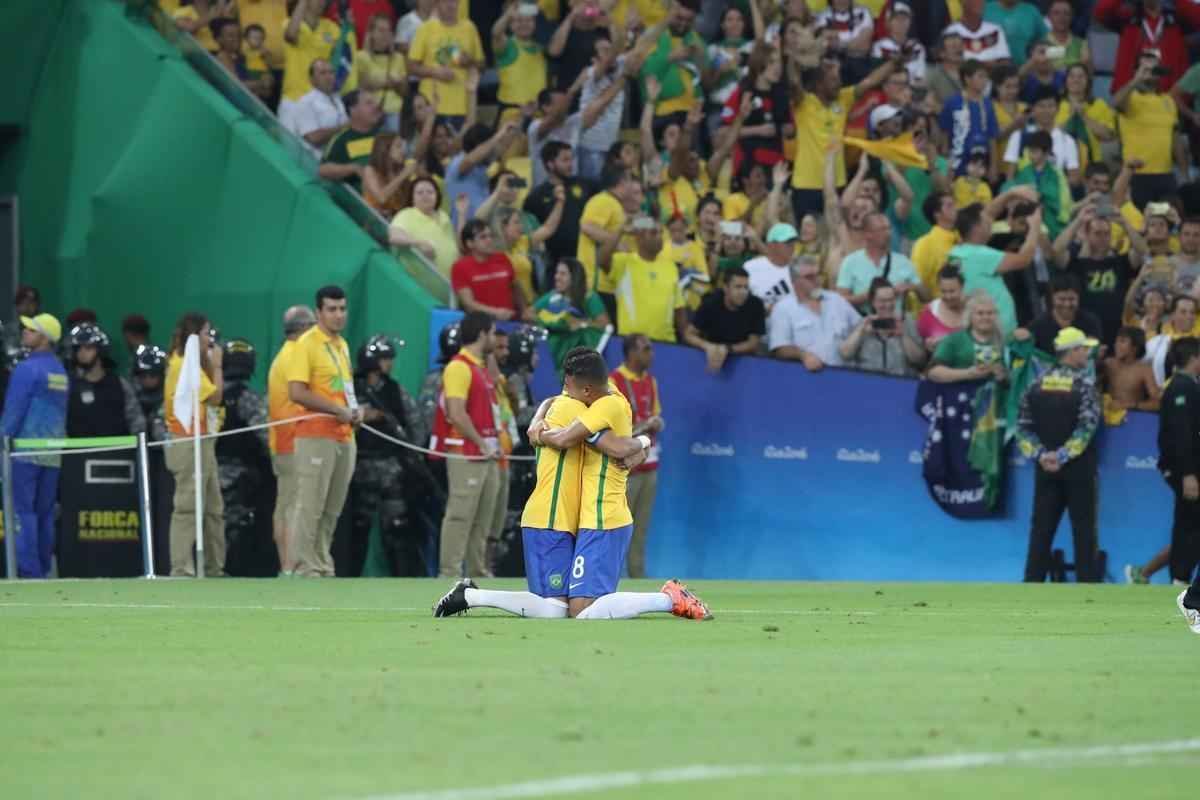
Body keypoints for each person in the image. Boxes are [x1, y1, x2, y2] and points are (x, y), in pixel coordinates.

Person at [433, 347, 711, 621]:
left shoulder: (593, 407)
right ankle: (471, 597)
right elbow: (576, 418)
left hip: (595, 517)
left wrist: (540, 429)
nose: (564, 388)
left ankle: (668, 599)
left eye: (568, 384)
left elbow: (604, 445)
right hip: (553, 518)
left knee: (572, 608)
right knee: (559, 608)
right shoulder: (587, 401)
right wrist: (642, 444)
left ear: (586, 388)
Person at [1015, 326, 1102, 582]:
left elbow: (1022, 427)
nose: (1087, 353)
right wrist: (1062, 456)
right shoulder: (1085, 385)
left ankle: (1032, 583)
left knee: (1041, 529)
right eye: (1083, 348)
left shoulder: (1035, 384)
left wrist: (1043, 456)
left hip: (1044, 469)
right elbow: (1087, 427)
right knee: (1084, 530)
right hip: (1079, 468)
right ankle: (1087, 586)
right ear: (1072, 352)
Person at [286, 285, 360, 578]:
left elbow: (344, 390)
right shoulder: (307, 344)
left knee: (332, 508)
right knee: (310, 504)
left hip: (344, 434)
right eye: (332, 309)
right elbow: (296, 392)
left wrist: (354, 410)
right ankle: (305, 566)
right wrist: (336, 410)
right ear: (318, 312)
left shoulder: (342, 345)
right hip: (315, 435)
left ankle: (321, 562)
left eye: (342, 308)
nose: (339, 314)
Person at [431, 311, 502, 578]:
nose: (495, 338)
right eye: (493, 333)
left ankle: (477, 569)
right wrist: (481, 442)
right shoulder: (458, 367)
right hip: (466, 452)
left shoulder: (480, 367)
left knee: (483, 519)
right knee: (460, 515)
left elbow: (496, 382)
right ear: (482, 334)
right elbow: (456, 413)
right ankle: (449, 571)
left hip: (487, 452)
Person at [790, 52, 902, 220]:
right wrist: (794, 59)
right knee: (809, 239)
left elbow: (870, 81)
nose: (840, 84)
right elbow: (793, 82)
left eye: (839, 79)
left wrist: (894, 62)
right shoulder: (804, 103)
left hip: (838, 183)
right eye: (834, 80)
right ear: (819, 84)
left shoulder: (843, 99)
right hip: (807, 185)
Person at [351, 335, 426, 577]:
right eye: (384, 359)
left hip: (391, 467)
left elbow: (415, 423)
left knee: (397, 526)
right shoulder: (350, 389)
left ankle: (401, 577)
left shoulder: (394, 390)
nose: (389, 364)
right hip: (358, 466)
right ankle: (347, 575)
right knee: (356, 527)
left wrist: (411, 453)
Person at [1, 313, 66, 578]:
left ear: (44, 338)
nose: (25, 332)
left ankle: (29, 571)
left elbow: (13, 413)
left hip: (24, 452)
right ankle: (43, 568)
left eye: (31, 330)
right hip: (52, 453)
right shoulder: (60, 371)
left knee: (22, 512)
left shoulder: (27, 369)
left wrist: (3, 442)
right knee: (45, 513)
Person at [163, 312, 226, 578]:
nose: (209, 341)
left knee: (213, 508)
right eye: (205, 334)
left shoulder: (193, 364)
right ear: (193, 336)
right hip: (187, 441)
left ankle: (214, 567)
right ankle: (181, 568)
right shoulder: (183, 364)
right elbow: (215, 397)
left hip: (203, 439)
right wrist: (219, 366)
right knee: (187, 506)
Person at [216, 338, 273, 576]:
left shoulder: (209, 394)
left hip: (208, 470)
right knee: (236, 527)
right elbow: (267, 435)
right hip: (237, 475)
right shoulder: (248, 398)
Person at [266, 305, 315, 576]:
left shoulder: (282, 355)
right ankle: (290, 565)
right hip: (294, 440)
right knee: (294, 505)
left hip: (283, 441)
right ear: (305, 329)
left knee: (286, 504)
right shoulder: (296, 355)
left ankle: (288, 565)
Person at [610, 334, 663, 579]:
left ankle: (637, 577)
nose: (651, 354)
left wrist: (656, 423)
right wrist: (645, 425)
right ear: (631, 352)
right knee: (617, 527)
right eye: (646, 349)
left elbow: (655, 415)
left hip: (649, 464)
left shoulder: (650, 381)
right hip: (624, 468)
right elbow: (612, 430)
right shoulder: (614, 381)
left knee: (641, 529)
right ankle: (608, 576)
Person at [1053, 205, 1146, 344]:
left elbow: (1142, 250)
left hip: (1116, 331)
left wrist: (1125, 223)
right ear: (1087, 234)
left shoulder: (1120, 262)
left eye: (1106, 233)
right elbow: (1056, 251)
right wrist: (1078, 220)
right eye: (1097, 233)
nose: (1103, 237)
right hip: (1083, 331)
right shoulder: (1077, 264)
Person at [949, 202, 1042, 334]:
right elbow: (1024, 259)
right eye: (986, 221)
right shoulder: (980, 254)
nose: (990, 224)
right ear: (977, 227)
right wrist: (1035, 227)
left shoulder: (956, 252)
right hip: (995, 333)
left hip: (981, 328)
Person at [598, 216, 687, 343]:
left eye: (661, 233)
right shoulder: (624, 262)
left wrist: (686, 338)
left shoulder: (670, 266)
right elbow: (601, 259)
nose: (659, 237)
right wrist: (621, 231)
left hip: (665, 342)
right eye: (653, 233)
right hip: (632, 343)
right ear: (639, 238)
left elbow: (679, 308)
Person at [1161, 338, 1200, 630]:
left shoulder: (1184, 385)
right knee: (1188, 525)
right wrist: (1188, 473)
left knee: (1187, 524)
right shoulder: (1183, 387)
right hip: (1188, 471)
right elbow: (1183, 434)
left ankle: (1184, 582)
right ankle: (1183, 581)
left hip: (1186, 470)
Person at [769, 256, 862, 370]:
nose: (817, 280)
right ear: (794, 281)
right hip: (807, 376)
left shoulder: (837, 300)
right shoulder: (783, 308)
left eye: (818, 275)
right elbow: (780, 348)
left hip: (844, 373)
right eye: (810, 277)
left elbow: (860, 326)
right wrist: (803, 355)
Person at [1115, 51, 1181, 210]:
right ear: (1137, 71)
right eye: (1146, 69)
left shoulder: (1168, 101)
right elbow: (1116, 103)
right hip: (1137, 175)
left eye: (1155, 69)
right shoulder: (1130, 97)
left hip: (1165, 175)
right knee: (1139, 224)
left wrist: (1183, 172)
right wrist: (1136, 80)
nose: (1151, 73)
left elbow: (1174, 139)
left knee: (1166, 223)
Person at [1094, 0, 1200, 94]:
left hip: (1170, 96)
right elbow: (1101, 12)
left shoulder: (1176, 18)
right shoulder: (1128, 17)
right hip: (1130, 96)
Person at [407, 0, 483, 127]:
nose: (450, 5)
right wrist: (435, 72)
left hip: (463, 106)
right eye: (446, 1)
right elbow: (410, 67)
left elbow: (482, 65)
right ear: (437, 4)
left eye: (454, 1)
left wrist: (469, 61)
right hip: (431, 106)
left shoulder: (469, 28)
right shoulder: (425, 29)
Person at [65, 323, 145, 438]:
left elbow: (136, 421)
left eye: (88, 348)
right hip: (79, 453)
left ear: (101, 350)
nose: (82, 353)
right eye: (78, 348)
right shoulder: (68, 385)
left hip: (117, 453)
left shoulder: (119, 384)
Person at [835, 212, 925, 313]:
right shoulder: (851, 262)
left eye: (889, 228)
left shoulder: (903, 261)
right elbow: (840, 300)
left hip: (896, 324)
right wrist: (867, 296)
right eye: (882, 229)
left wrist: (912, 286)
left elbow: (926, 298)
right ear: (867, 234)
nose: (888, 233)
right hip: (865, 323)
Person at [534, 258, 610, 376]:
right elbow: (529, 314)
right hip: (555, 356)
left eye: (562, 274)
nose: (557, 277)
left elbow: (604, 324)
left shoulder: (589, 296)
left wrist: (582, 324)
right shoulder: (553, 296)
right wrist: (553, 321)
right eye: (556, 273)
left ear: (575, 277)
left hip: (579, 362)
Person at [524, 141, 595, 267]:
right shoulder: (535, 197)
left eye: (571, 159)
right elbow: (532, 233)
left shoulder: (586, 185)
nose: (570, 164)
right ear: (550, 164)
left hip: (586, 259)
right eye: (565, 160)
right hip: (555, 264)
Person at [685, 265, 766, 372]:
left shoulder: (756, 305)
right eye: (738, 287)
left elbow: (753, 343)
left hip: (744, 360)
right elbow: (689, 334)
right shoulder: (710, 303)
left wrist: (727, 349)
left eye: (746, 287)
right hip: (710, 356)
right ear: (725, 288)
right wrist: (708, 346)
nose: (743, 292)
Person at [838, 279, 927, 376]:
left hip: (901, 382)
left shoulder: (908, 321)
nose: (888, 305)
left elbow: (920, 360)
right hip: (870, 383)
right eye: (882, 301)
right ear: (872, 302)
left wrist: (903, 335)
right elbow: (845, 354)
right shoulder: (863, 323)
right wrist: (861, 331)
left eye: (891, 299)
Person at [927, 290, 1009, 383]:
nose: (985, 317)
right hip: (958, 393)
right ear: (970, 316)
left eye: (990, 313)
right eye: (980, 313)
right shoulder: (955, 340)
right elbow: (933, 372)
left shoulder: (1003, 341)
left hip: (993, 394)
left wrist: (1002, 375)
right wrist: (968, 373)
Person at [451, 220, 525, 321]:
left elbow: (516, 287)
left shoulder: (502, 258)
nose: (489, 240)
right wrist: (495, 312)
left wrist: (525, 310)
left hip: (511, 321)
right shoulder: (460, 267)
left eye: (490, 236)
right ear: (470, 243)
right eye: (483, 237)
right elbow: (468, 304)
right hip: (482, 327)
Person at [938, 59, 1000, 177]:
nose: (985, 81)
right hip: (958, 160)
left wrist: (993, 166)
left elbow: (992, 137)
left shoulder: (988, 104)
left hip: (982, 161)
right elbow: (945, 133)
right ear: (967, 79)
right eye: (980, 77)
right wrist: (946, 163)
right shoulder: (953, 102)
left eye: (986, 77)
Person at [388, 175, 459, 277]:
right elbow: (394, 237)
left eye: (430, 192)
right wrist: (418, 243)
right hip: (419, 286)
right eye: (420, 193)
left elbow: (454, 246)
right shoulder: (406, 214)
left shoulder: (444, 215)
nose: (425, 195)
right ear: (412, 198)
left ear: (437, 195)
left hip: (449, 283)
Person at [1021, 273, 1104, 355]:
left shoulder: (1090, 321)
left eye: (1071, 299)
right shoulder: (1038, 325)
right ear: (1052, 298)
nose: (1067, 304)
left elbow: (1094, 352)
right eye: (1061, 299)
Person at [317, 90, 383, 190]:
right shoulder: (341, 139)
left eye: (375, 102)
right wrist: (353, 168)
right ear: (353, 110)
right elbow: (323, 170)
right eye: (369, 103)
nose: (376, 106)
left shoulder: (384, 136)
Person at [352, 13, 407, 133]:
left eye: (388, 31)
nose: (385, 35)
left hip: (394, 112)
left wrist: (395, 84)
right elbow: (361, 85)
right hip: (370, 113)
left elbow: (404, 91)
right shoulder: (361, 57)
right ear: (371, 33)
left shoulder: (398, 58)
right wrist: (389, 82)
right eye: (381, 30)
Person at [290, 59, 348, 157]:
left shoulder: (338, 99)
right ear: (312, 79)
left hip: (338, 157)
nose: (329, 77)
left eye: (331, 72)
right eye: (323, 73)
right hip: (314, 161)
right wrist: (344, 128)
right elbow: (313, 138)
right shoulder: (305, 102)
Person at [1102, 326, 1159, 424]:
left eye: (1122, 341)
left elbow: (1157, 404)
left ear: (1135, 347)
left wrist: (1129, 405)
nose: (1116, 345)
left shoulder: (1144, 369)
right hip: (1106, 419)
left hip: (1132, 421)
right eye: (1116, 341)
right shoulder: (1108, 364)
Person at [745, 222, 800, 310]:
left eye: (793, 243)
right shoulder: (751, 267)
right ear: (772, 245)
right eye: (787, 243)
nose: (792, 246)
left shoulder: (800, 271)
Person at [917, 264, 968, 350]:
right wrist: (928, 347)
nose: (948, 296)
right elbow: (920, 350)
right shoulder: (930, 312)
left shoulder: (975, 309)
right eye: (943, 291)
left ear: (962, 287)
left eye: (952, 291)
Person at [983, 0, 1045, 68]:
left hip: (1025, 72)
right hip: (988, 73)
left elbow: (1045, 40)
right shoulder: (984, 10)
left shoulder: (1032, 11)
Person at [945, 0, 1010, 63]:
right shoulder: (951, 31)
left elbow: (1005, 62)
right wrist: (989, 63)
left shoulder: (995, 30)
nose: (979, 3)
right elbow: (953, 64)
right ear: (963, 2)